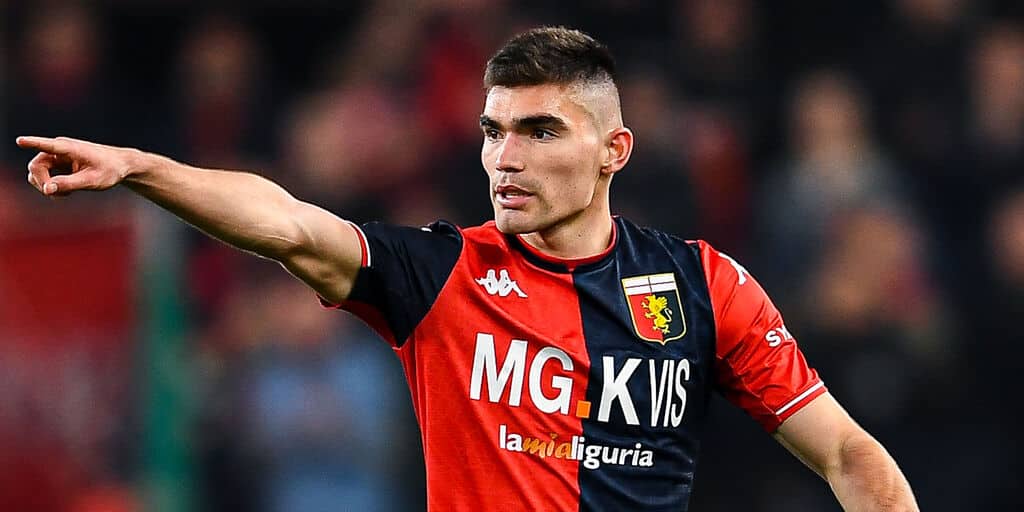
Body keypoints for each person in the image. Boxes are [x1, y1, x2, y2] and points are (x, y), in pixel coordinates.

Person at [17, 26, 918, 512]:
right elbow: (289, 224)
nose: (505, 158)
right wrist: (144, 169)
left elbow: (846, 452)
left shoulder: (700, 285)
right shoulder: (439, 272)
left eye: (539, 130)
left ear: (615, 151)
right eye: (493, 131)